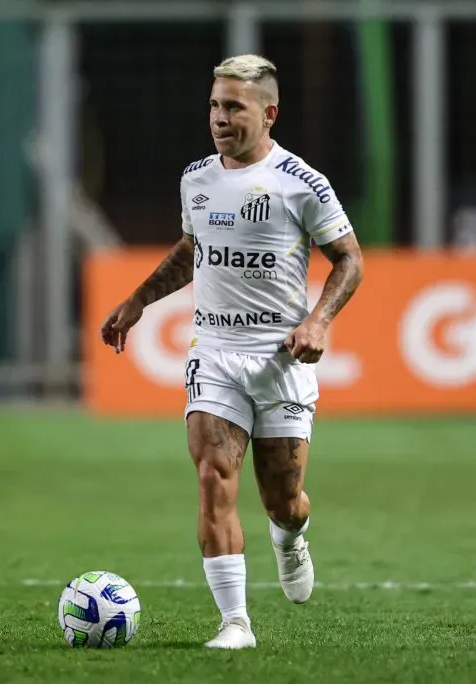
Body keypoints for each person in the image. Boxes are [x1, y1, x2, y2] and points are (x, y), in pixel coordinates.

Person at [100, 54, 364, 649]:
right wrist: (139, 300)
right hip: (215, 351)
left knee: (283, 499)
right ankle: (235, 623)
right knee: (213, 475)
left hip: (281, 360)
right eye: (214, 106)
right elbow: (194, 250)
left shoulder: (302, 183)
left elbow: (350, 259)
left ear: (268, 113)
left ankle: (291, 537)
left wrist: (318, 322)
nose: (219, 118)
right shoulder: (196, 178)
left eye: (233, 107)